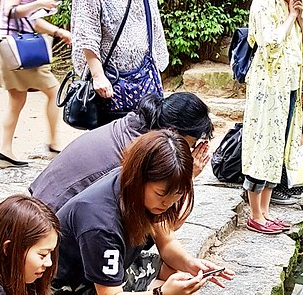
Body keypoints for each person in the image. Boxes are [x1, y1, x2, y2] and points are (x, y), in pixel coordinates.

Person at [46, 129, 237, 295]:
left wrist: (192, 264)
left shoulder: (137, 189)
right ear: (140, 178)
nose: (168, 203)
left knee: (182, 276)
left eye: (177, 195)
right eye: (162, 194)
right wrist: (162, 294)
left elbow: (167, 243)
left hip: (108, 274)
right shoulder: (100, 221)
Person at [241, 0, 303, 235]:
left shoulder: (291, 0)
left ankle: (266, 210)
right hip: (267, 88)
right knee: (262, 144)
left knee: (279, 146)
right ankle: (255, 214)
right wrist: (289, 16)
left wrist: (298, 16)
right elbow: (269, 42)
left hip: (288, 86)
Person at [30, 91, 213, 212]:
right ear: (173, 132)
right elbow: (161, 227)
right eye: (189, 145)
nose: (188, 152)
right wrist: (185, 178)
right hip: (51, 219)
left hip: (40, 201)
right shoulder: (141, 151)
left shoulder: (135, 124)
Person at [0, 0, 72, 166]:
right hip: (16, 49)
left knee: (17, 101)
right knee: (54, 90)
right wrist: (39, 2)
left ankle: (5, 152)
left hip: (13, 48)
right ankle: (54, 144)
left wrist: (59, 32)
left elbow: (32, 20)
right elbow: (9, 10)